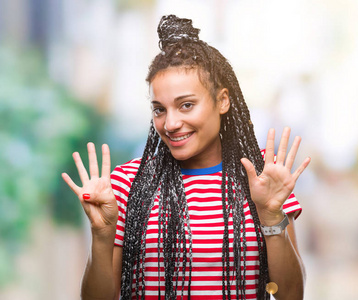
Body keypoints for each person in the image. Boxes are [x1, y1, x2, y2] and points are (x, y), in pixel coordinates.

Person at [62, 15, 310, 300]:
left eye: (186, 105)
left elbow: (290, 295)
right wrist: (102, 236)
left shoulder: (263, 176)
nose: (170, 124)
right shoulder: (128, 183)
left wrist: (270, 215)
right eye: (159, 109)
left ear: (222, 101)